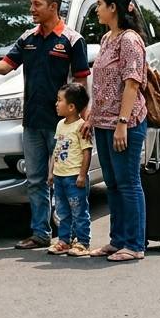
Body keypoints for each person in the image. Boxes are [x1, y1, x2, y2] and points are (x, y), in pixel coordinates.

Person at [0, 0, 89, 250]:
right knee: (35, 180)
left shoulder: (73, 40)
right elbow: (5, 66)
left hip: (63, 127)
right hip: (31, 122)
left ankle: (74, 237)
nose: (32, 9)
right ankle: (41, 233)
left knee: (68, 182)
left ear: (53, 6)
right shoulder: (27, 38)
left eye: (37, 4)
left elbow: (81, 84)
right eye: (31, 4)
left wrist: (81, 122)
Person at [87, 0, 148, 263]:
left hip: (126, 123)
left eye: (100, 4)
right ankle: (117, 240)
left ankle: (135, 244)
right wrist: (91, 115)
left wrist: (123, 122)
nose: (96, 9)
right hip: (102, 123)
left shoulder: (129, 40)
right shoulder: (106, 39)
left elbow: (132, 84)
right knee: (112, 184)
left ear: (113, 8)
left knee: (128, 183)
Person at [48, 82, 93, 258]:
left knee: (79, 211)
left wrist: (82, 175)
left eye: (60, 100)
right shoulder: (60, 125)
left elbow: (86, 151)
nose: (56, 103)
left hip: (74, 177)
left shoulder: (81, 126)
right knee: (62, 211)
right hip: (59, 177)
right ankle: (64, 240)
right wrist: (51, 172)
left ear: (72, 107)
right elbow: (56, 149)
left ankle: (83, 242)